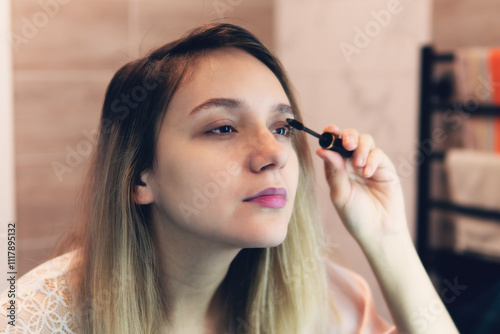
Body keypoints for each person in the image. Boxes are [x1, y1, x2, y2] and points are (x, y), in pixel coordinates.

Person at [0, 23, 458, 334]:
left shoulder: (320, 296)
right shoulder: (31, 318)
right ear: (139, 177)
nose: (273, 153)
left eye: (281, 128)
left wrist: (388, 237)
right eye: (222, 127)